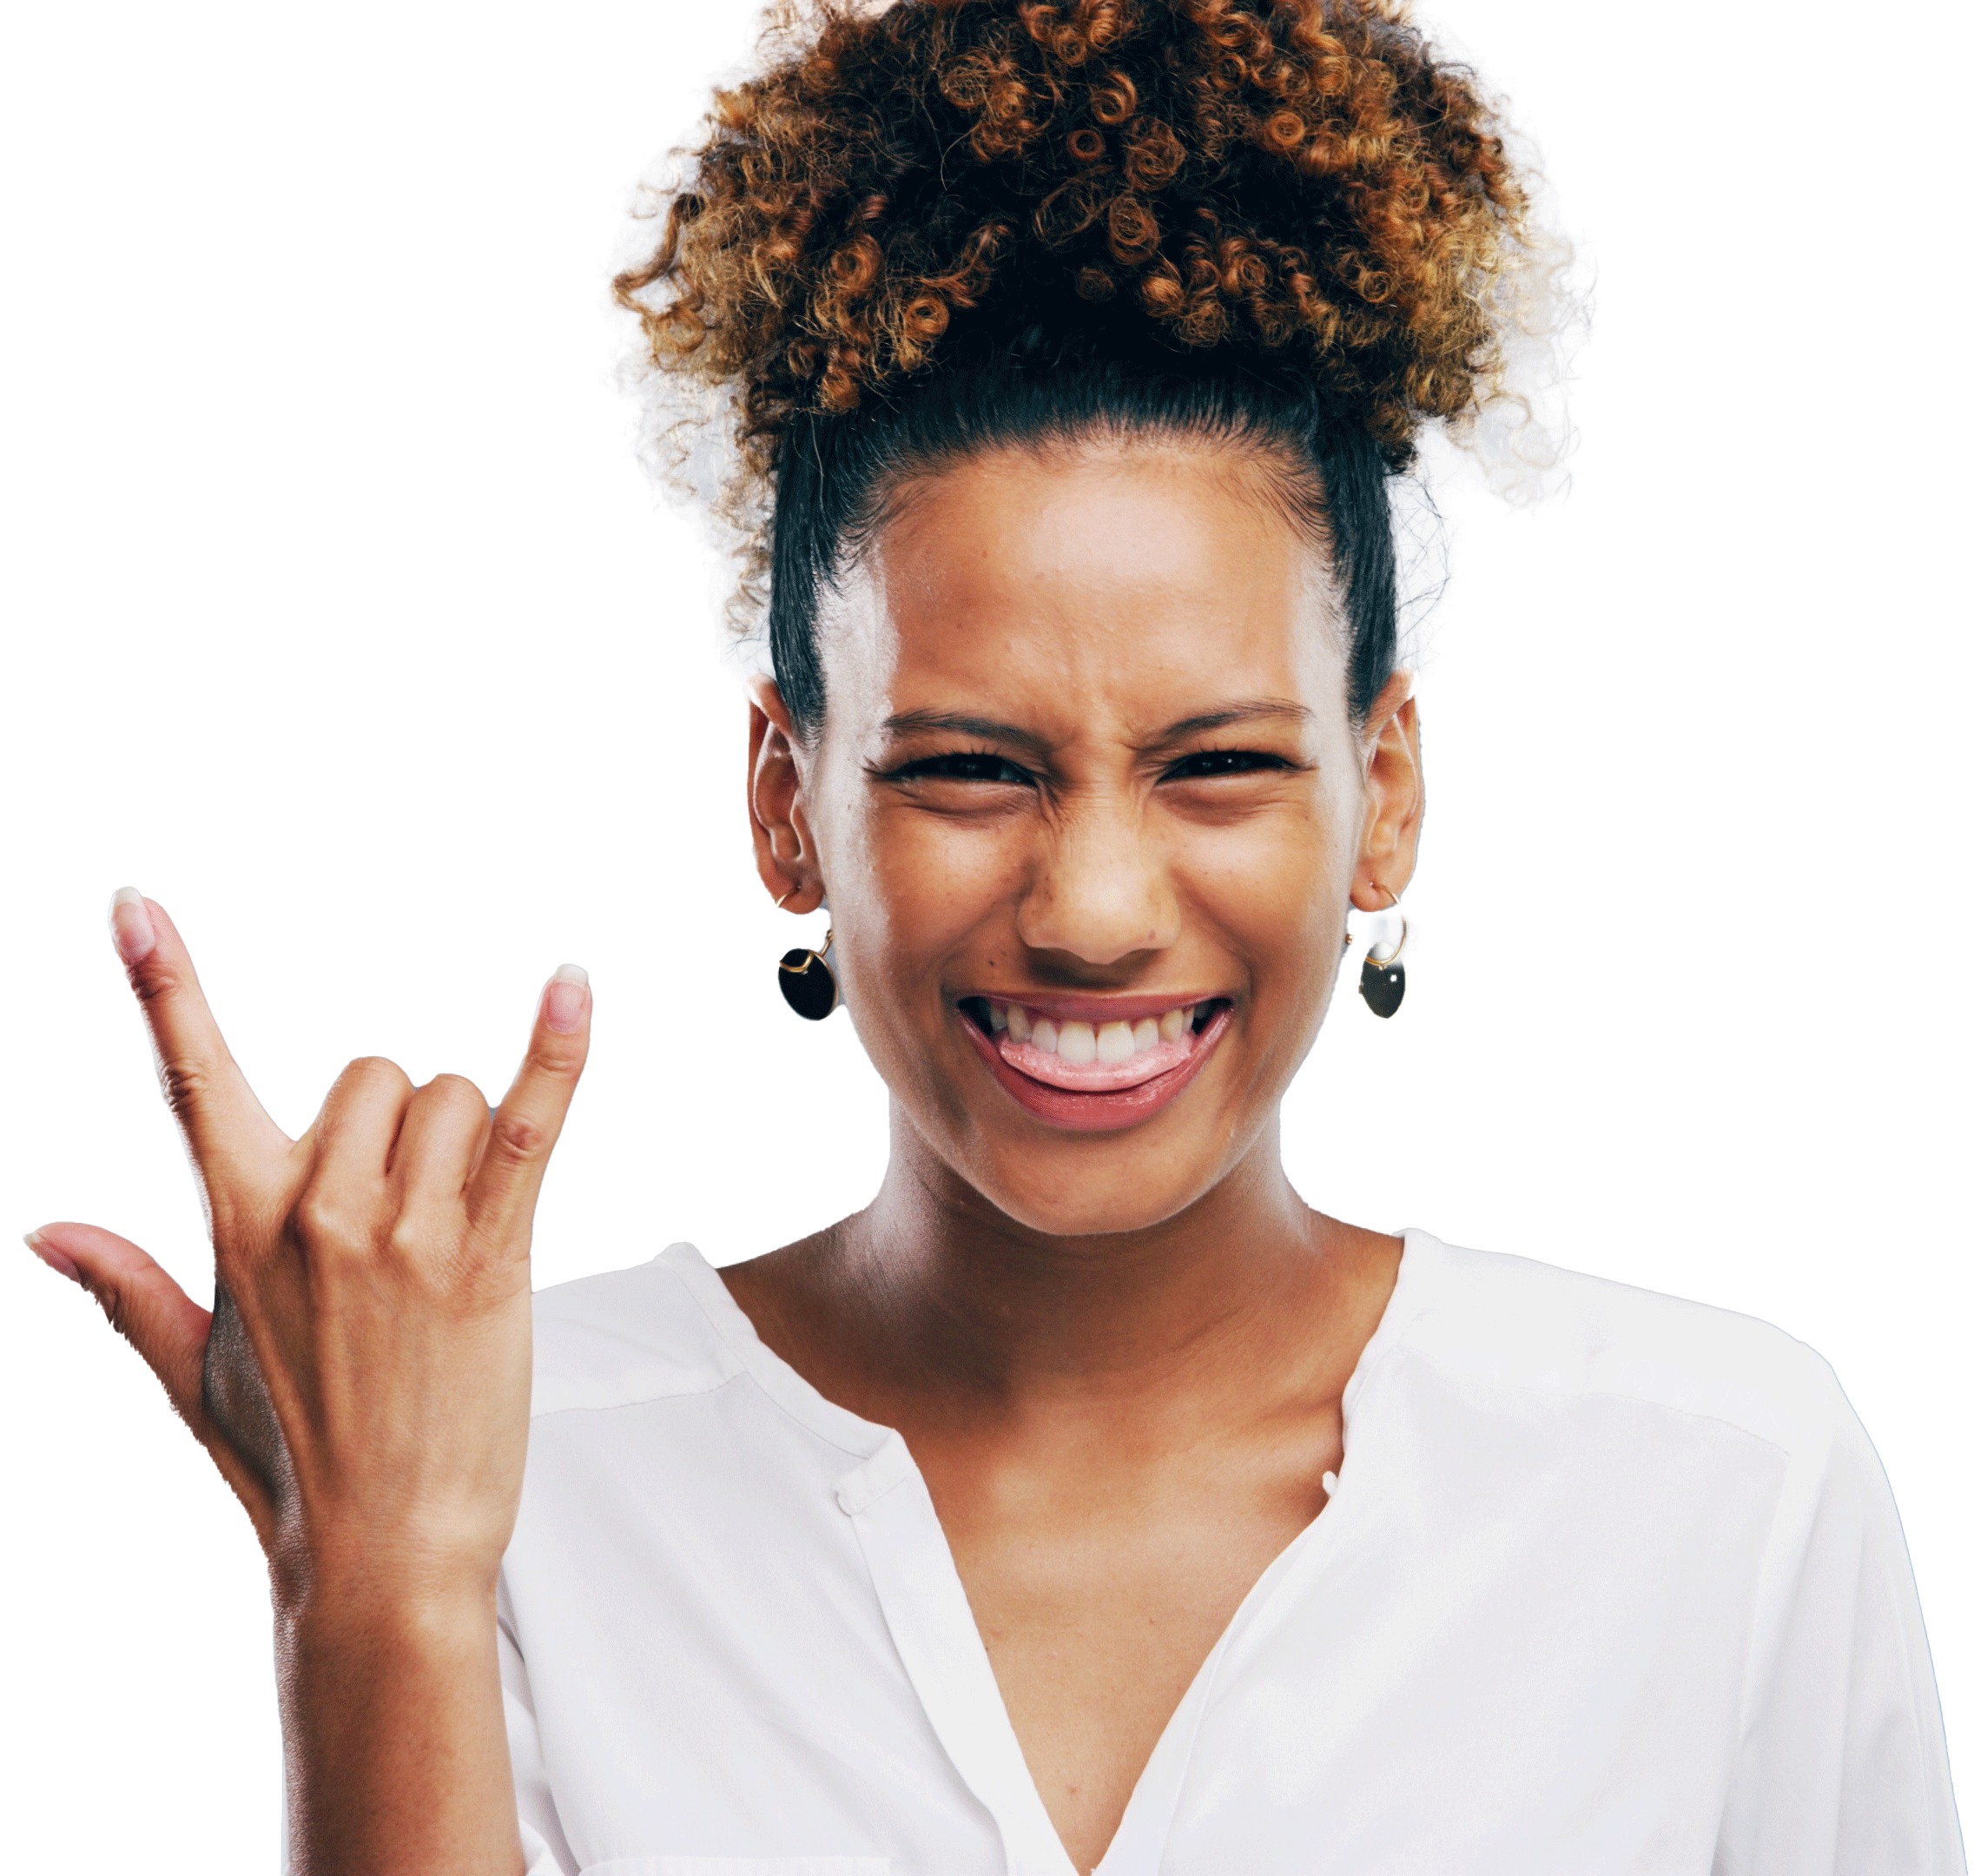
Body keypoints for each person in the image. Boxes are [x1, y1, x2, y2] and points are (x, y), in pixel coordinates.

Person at [23, 0, 1963, 1870]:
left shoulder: (1717, 1488)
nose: (1096, 911)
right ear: (788, 802)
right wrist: (372, 1581)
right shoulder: (496, 1471)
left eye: (1214, 764)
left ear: (1384, 792)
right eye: (964, 768)